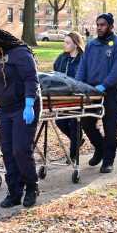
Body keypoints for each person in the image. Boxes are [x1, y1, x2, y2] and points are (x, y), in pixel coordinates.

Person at [0, 27, 41, 208]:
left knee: (21, 150)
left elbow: (31, 79)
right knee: (7, 151)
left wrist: (30, 104)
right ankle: (15, 191)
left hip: (23, 107)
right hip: (6, 109)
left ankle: (32, 187)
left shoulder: (21, 53)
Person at [75, 12, 117, 174]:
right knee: (86, 123)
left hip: (110, 92)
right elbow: (83, 67)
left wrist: (104, 85)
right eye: (97, 25)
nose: (99, 27)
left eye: (103, 25)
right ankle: (100, 147)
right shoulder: (91, 45)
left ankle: (108, 160)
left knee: (110, 126)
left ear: (111, 26)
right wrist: (77, 84)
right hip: (91, 92)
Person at [52, 31, 85, 164]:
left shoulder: (84, 58)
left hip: (78, 96)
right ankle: (77, 140)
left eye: (67, 43)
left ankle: (73, 155)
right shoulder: (62, 57)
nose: (64, 45)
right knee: (60, 121)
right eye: (64, 42)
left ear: (76, 44)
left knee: (73, 123)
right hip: (62, 96)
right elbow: (55, 71)